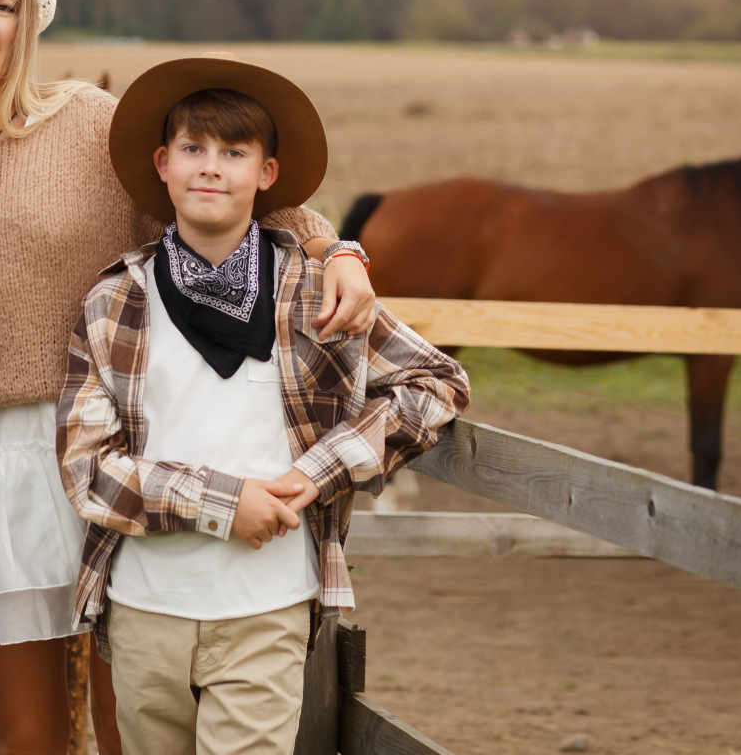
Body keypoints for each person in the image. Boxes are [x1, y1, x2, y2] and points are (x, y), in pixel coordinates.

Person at [0, 0, 380, 753]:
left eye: (4, 6)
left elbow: (250, 206)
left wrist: (341, 252)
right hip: (5, 460)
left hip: (135, 448)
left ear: (28, 23)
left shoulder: (86, 123)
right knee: (30, 733)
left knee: (132, 715)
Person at [56, 55, 472, 755]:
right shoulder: (114, 302)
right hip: (144, 607)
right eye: (192, 148)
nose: (210, 167)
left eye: (234, 152)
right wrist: (222, 503)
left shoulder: (317, 291)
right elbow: (87, 470)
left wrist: (317, 473)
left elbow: (434, 385)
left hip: (267, 607)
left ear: (267, 174)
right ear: (163, 163)